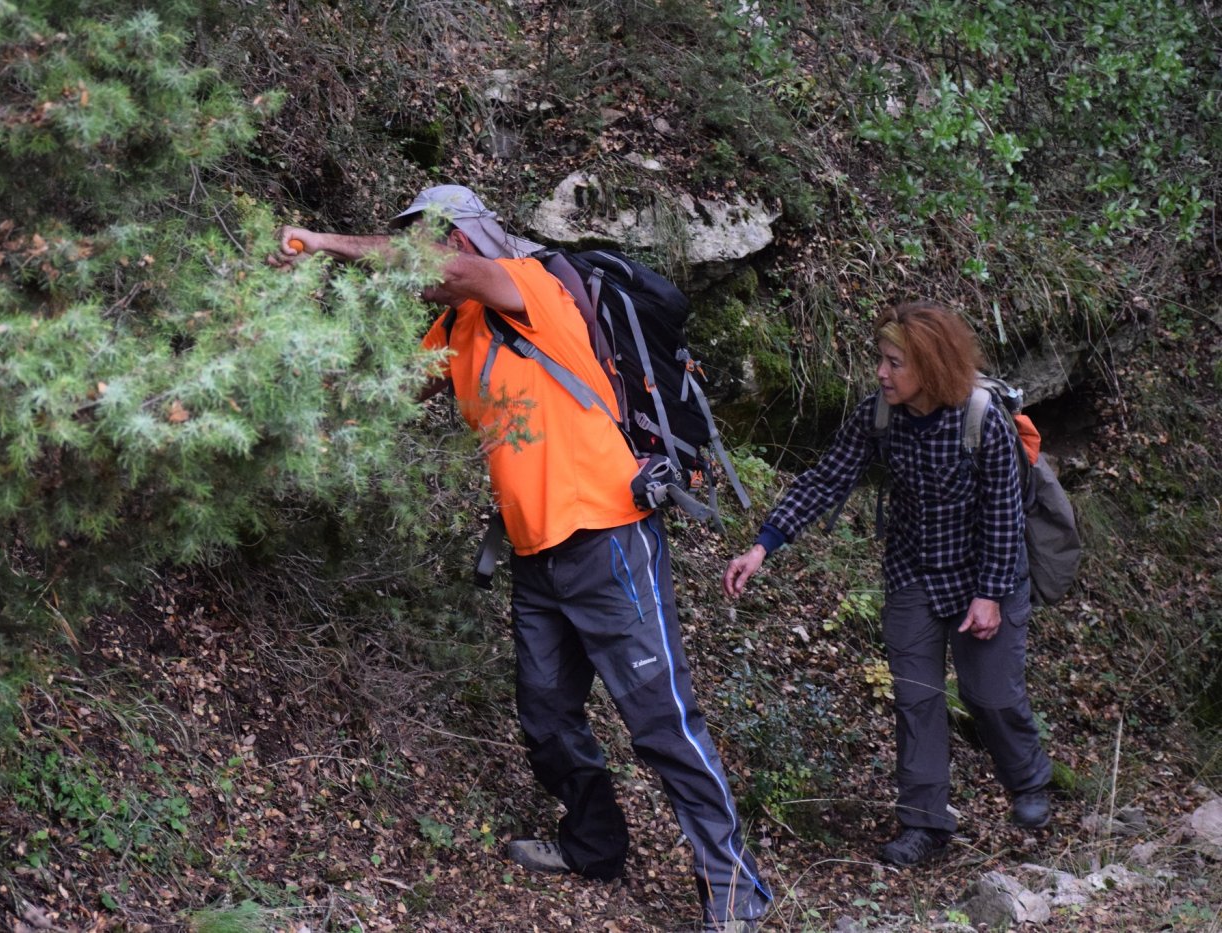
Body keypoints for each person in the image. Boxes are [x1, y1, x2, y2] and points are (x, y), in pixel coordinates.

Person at [268, 185, 772, 931]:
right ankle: (594, 843)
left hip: (611, 537)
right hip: (536, 555)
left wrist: (324, 241)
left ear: (469, 237)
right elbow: (385, 386)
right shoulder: (455, 326)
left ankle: (735, 890)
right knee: (545, 715)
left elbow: (464, 275)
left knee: (663, 721)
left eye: (436, 240)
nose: (426, 258)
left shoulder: (526, 288)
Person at [723, 300, 1054, 867]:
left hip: (986, 577)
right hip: (912, 577)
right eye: (881, 359)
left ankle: (1029, 783)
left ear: (931, 364)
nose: (881, 372)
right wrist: (763, 545)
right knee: (915, 700)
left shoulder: (983, 420)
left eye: (895, 362)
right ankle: (924, 824)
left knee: (989, 694)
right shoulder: (878, 414)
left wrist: (990, 595)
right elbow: (829, 477)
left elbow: (1004, 517)